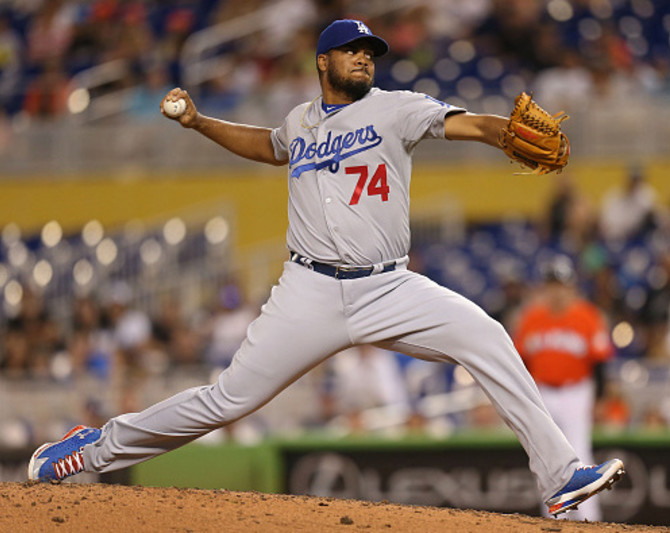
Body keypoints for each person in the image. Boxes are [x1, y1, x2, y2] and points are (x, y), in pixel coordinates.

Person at [27, 19, 623, 518]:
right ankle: (96, 448)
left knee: (487, 336)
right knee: (227, 400)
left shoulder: (398, 109)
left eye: (371, 53)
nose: (364, 59)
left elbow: (464, 123)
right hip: (308, 289)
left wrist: (501, 133)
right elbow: (268, 146)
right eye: (352, 50)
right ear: (323, 61)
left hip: (388, 285)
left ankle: (559, 476)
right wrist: (199, 122)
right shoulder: (301, 122)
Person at [510, 254, 614, 521]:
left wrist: (601, 398)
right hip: (542, 393)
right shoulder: (531, 319)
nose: (556, 291)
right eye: (551, 285)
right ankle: (555, 520)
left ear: (571, 287)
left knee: (579, 453)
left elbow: (600, 363)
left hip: (576, 391)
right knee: (545, 456)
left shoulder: (587, 317)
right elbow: (520, 364)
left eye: (561, 285)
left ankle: (590, 520)